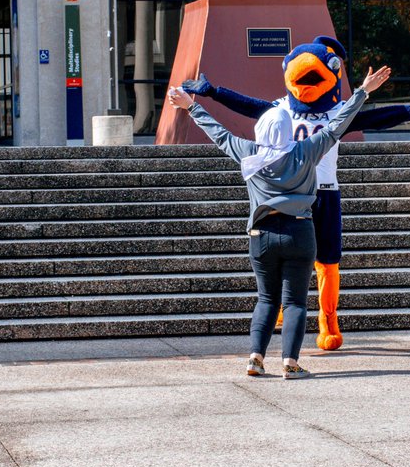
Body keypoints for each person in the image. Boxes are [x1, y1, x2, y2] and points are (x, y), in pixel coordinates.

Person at [167, 63, 392, 379]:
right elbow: (338, 125)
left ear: (261, 130)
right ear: (287, 129)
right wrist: (362, 92)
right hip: (300, 230)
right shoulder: (305, 151)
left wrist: (191, 105)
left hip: (261, 235)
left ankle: (255, 359)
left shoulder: (248, 153)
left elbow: (218, 133)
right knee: (296, 303)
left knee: (266, 300)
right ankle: (290, 362)